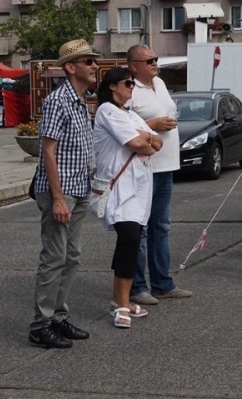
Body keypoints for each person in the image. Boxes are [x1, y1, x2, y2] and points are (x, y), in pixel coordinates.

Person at [28, 39, 97, 349]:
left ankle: (58, 316)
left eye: (93, 60)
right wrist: (57, 197)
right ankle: (40, 325)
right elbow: (48, 151)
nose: (94, 66)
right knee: (54, 257)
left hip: (79, 188)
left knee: (72, 256)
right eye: (87, 61)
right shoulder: (58, 100)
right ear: (70, 67)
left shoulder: (81, 99)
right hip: (62, 190)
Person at [93, 67, 162, 328]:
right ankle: (122, 302)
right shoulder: (107, 110)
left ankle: (118, 298)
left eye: (133, 84)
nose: (132, 87)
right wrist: (146, 139)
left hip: (140, 187)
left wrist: (147, 137)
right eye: (128, 83)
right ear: (113, 85)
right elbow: (137, 144)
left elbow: (157, 143)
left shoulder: (131, 115)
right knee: (130, 239)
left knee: (130, 241)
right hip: (120, 188)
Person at [126, 44, 192, 304]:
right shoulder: (129, 88)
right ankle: (137, 287)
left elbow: (169, 113)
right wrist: (152, 124)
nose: (155, 63)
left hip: (166, 165)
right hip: (143, 167)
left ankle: (162, 284)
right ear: (134, 66)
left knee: (161, 227)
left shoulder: (160, 83)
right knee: (140, 229)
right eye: (149, 60)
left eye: (156, 59)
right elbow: (120, 125)